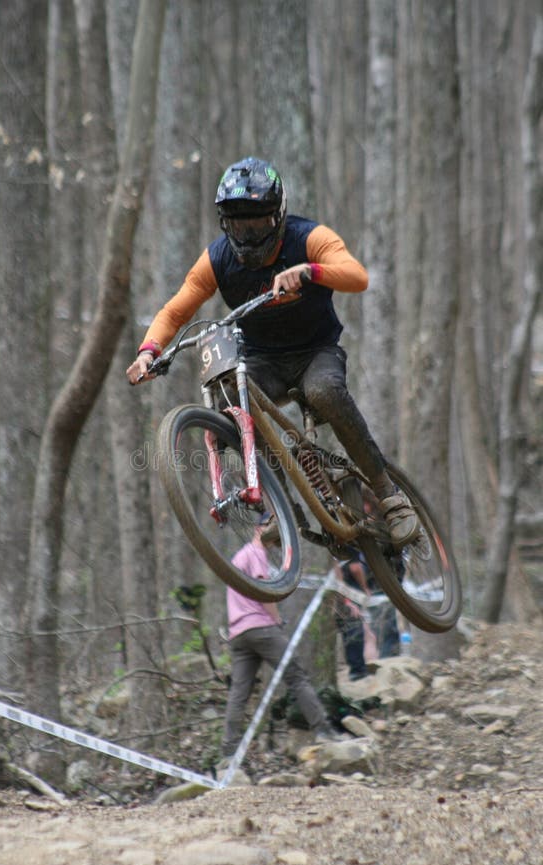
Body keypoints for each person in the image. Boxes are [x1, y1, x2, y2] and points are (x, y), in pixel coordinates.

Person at [127, 156, 418, 546]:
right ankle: (281, 509)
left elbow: (357, 276)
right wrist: (149, 351)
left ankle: (389, 495)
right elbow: (176, 309)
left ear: (277, 215)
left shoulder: (309, 238)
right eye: (237, 225)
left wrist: (310, 271)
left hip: (316, 351)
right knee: (232, 403)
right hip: (263, 361)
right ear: (224, 223)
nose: (247, 236)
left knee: (323, 392)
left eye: (257, 224)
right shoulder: (217, 260)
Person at [220, 513, 341, 760]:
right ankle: (323, 729)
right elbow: (265, 593)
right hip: (261, 628)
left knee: (239, 693)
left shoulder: (240, 555)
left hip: (238, 633)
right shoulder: (256, 554)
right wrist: (276, 620)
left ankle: (229, 749)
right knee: (296, 677)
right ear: (259, 528)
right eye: (271, 526)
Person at [333, 551, 400, 681]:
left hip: (343, 592)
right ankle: (357, 670)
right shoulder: (348, 543)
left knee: (364, 632)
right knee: (356, 629)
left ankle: (359, 668)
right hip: (349, 592)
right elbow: (355, 567)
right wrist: (364, 588)